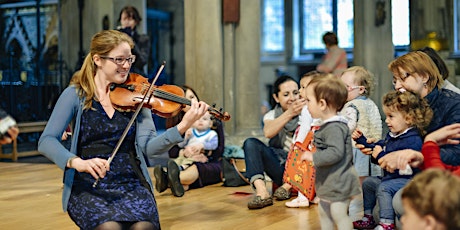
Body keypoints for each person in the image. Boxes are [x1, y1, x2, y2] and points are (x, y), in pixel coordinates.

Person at [37, 30, 208, 230]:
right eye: (119, 59)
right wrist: (78, 163)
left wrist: (183, 126)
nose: (126, 65)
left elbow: (149, 149)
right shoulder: (76, 95)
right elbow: (47, 140)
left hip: (131, 183)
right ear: (98, 60)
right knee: (109, 228)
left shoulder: (137, 97)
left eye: (129, 59)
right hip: (89, 184)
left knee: (144, 227)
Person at [357, 51, 460, 228]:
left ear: (424, 76)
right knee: (379, 209)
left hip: (443, 178)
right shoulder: (407, 103)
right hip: (414, 174)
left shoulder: (452, 104)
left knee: (397, 203)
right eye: (395, 80)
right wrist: (377, 150)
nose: (398, 86)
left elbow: (456, 154)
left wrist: (417, 156)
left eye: (403, 78)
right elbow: (396, 143)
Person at [352, 91, 433, 230]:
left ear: (409, 118)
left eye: (391, 116)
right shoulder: (393, 135)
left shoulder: (413, 139)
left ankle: (386, 223)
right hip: (392, 178)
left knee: (385, 187)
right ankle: (368, 216)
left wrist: (382, 155)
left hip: (408, 180)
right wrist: (362, 140)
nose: (386, 121)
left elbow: (403, 166)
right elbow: (378, 147)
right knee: (369, 183)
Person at [301, 73, 360, 230]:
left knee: (339, 213)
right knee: (324, 211)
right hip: (330, 181)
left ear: (322, 103)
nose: (306, 105)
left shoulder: (334, 127)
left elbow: (336, 152)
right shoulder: (328, 125)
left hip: (339, 181)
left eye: (308, 101)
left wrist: (313, 156)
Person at [243, 75, 304, 209]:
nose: (292, 98)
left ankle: (289, 187)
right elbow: (268, 133)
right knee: (250, 143)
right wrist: (290, 113)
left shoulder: (308, 112)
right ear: (276, 98)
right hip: (280, 166)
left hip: (303, 168)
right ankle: (262, 193)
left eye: (295, 93)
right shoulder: (271, 115)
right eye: (286, 94)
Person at [154, 86, 225, 197]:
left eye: (192, 97)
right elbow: (172, 152)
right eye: (185, 98)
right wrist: (185, 152)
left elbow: (219, 150)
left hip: (209, 162)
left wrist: (203, 152)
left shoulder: (210, 117)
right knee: (181, 165)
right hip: (186, 159)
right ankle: (179, 183)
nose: (191, 101)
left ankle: (167, 179)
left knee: (197, 167)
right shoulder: (177, 123)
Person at [283, 71, 321, 208]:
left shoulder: (307, 108)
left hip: (305, 145)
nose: (300, 91)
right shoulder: (320, 106)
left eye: (303, 87)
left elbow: (305, 127)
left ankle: (302, 198)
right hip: (315, 145)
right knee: (314, 173)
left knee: (301, 172)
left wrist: (297, 145)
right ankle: (315, 196)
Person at [118, 5, 151, 76]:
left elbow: (142, 61)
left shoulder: (143, 39)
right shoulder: (116, 38)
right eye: (124, 19)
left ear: (136, 21)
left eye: (130, 19)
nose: (127, 22)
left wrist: (130, 39)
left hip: (136, 75)